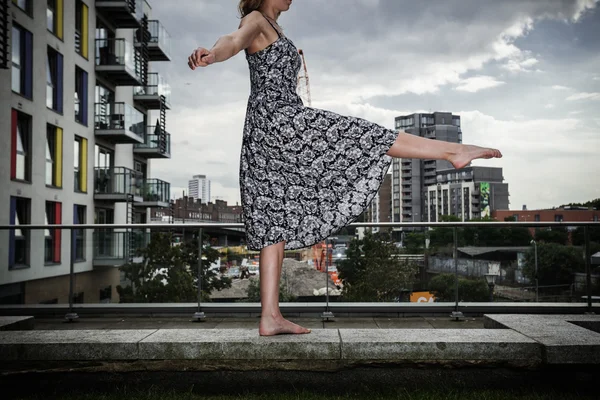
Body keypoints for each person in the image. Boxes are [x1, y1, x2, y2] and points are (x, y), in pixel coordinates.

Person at [188, 0, 502, 336]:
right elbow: (232, 41)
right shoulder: (255, 19)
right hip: (280, 123)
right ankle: (453, 151)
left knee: (272, 220)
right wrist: (211, 54)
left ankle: (270, 316)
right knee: (368, 136)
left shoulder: (276, 28)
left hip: (263, 132)